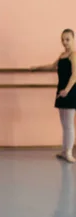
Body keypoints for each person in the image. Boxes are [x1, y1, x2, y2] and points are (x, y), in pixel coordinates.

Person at [32, 29, 76, 163]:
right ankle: (64, 151)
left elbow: (75, 76)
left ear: (73, 39)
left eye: (67, 39)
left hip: (70, 92)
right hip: (61, 91)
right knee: (64, 124)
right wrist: (36, 68)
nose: (65, 42)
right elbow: (52, 66)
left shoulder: (73, 55)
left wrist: (67, 90)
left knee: (69, 124)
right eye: (63, 40)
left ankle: (69, 152)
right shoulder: (62, 55)